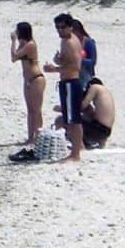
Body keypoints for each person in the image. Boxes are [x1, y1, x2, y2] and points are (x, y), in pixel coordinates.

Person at [45, 14, 86, 160]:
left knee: (73, 120)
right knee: (71, 118)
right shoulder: (66, 41)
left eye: (63, 27)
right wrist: (59, 60)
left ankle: (75, 154)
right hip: (68, 82)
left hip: (71, 82)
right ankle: (78, 147)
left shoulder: (70, 42)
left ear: (70, 27)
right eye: (57, 27)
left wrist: (54, 69)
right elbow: (70, 60)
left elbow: (75, 66)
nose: (60, 30)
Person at [10, 21, 45, 141]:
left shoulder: (30, 45)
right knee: (30, 110)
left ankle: (38, 136)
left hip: (36, 79)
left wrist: (13, 41)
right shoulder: (24, 44)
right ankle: (31, 137)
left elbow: (14, 57)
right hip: (28, 80)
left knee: (36, 110)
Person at [77, 78, 117, 147]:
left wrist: (64, 109)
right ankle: (101, 142)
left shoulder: (94, 87)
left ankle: (80, 145)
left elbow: (82, 106)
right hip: (106, 132)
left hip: (98, 130)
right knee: (89, 111)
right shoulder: (105, 90)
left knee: (71, 120)